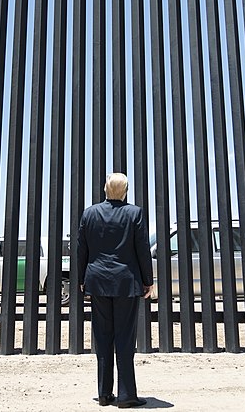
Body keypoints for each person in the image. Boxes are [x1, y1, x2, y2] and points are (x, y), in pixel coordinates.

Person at [78, 173, 154, 409]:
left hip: (98, 281)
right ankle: (126, 395)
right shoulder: (135, 213)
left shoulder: (90, 213)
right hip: (126, 283)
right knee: (124, 338)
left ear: (105, 189)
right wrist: (148, 281)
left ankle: (103, 394)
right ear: (126, 190)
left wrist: (82, 279)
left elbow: (82, 249)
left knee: (102, 338)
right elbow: (142, 249)